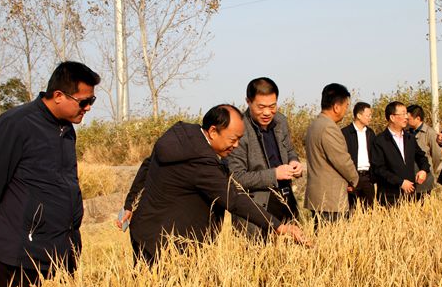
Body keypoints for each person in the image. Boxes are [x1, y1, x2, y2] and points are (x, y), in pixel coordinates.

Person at [0, 61, 101, 287]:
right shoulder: (16, 124)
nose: (88, 108)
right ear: (59, 95)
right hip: (19, 254)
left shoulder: (66, 130)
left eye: (91, 101)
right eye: (84, 101)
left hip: (57, 251)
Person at [117, 104, 306, 264]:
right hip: (167, 248)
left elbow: (147, 164)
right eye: (233, 139)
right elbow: (233, 199)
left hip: (145, 232)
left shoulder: (181, 135)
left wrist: (130, 203)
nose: (236, 145)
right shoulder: (201, 162)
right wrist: (279, 227)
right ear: (213, 131)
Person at [227, 77, 303, 239]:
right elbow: (236, 178)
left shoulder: (281, 121)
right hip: (257, 210)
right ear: (248, 102)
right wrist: (274, 174)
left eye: (272, 106)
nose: (267, 112)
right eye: (261, 107)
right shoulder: (239, 129)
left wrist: (294, 161)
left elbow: (290, 150)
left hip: (287, 201)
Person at [304, 83, 359, 229]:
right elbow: (343, 161)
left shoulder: (315, 124)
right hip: (331, 199)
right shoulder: (329, 128)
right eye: (346, 106)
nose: (346, 110)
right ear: (336, 107)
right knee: (334, 238)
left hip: (319, 197)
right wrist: (355, 180)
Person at [372, 101, 430, 206]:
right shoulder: (380, 140)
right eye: (403, 114)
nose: (406, 117)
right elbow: (379, 169)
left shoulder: (410, 138)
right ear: (392, 117)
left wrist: (424, 170)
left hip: (410, 194)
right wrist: (401, 182)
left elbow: (421, 157)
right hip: (389, 196)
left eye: (406, 114)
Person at [341, 101, 377, 210]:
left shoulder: (370, 133)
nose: (370, 118)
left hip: (367, 177)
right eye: (368, 115)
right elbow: (342, 158)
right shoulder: (345, 133)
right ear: (359, 115)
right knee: (351, 210)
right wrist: (347, 181)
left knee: (369, 210)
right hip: (352, 177)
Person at [407, 104, 442, 195]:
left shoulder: (430, 133)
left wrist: (430, 169)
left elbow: (436, 156)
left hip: (425, 175)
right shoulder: (407, 132)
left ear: (417, 118)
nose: (406, 121)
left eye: (408, 119)